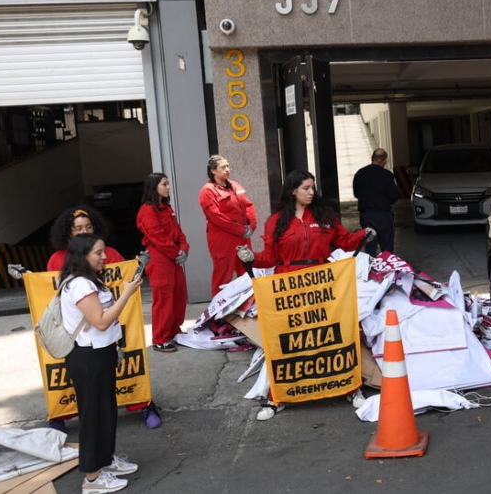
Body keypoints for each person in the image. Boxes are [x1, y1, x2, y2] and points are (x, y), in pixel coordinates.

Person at [8, 207, 162, 431]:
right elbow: (51, 291)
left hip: (111, 324)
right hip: (77, 332)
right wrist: (30, 280)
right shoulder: (58, 259)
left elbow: (126, 279)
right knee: (66, 374)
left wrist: (139, 266)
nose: (84, 232)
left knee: (128, 365)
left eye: (88, 227)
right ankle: (61, 415)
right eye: (78, 228)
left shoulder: (108, 252)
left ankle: (142, 403)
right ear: (67, 233)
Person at [235, 170, 372, 421]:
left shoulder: (325, 216)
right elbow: (271, 257)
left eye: (313, 188)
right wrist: (251, 257)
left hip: (321, 283)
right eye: (306, 188)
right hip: (289, 287)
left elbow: (346, 241)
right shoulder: (276, 221)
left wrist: (363, 234)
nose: (311, 192)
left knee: (333, 337)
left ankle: (351, 388)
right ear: (292, 191)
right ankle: (277, 396)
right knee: (288, 342)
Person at [59, 233, 144, 494]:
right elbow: (101, 321)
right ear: (82, 255)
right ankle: (92, 478)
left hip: (99, 354)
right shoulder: (80, 285)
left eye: (103, 251)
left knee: (105, 410)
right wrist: (126, 294)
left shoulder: (88, 280)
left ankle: (104, 460)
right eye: (98, 253)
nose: (104, 257)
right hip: (88, 357)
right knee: (93, 415)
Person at [136, 173, 190, 353]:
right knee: (164, 298)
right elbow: (158, 237)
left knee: (178, 295)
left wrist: (184, 248)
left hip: (172, 256)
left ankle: (173, 331)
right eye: (164, 184)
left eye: (168, 184)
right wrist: (176, 253)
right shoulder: (147, 210)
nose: (168, 187)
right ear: (154, 187)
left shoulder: (165, 208)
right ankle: (160, 338)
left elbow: (178, 231)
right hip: (160, 258)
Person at [199, 155, 257, 297]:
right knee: (223, 277)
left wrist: (251, 226)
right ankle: (219, 315)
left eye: (228, 166)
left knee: (247, 274)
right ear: (213, 170)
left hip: (242, 237)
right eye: (223, 167)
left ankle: (248, 310)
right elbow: (216, 217)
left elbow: (248, 206)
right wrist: (241, 230)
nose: (227, 169)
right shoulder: (207, 191)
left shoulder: (235, 186)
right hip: (223, 240)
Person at [352, 148, 398, 255]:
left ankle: (369, 269)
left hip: (366, 216)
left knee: (369, 246)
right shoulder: (387, 175)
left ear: (372, 158)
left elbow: (356, 194)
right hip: (383, 216)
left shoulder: (360, 173)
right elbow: (394, 197)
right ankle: (386, 269)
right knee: (387, 247)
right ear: (383, 160)